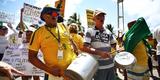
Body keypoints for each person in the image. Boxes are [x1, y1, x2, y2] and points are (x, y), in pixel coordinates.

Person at [28, 5, 77, 80]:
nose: (54, 16)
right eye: (51, 13)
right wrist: (49, 70)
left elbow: (71, 41)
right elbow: (32, 57)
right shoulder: (38, 33)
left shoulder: (64, 26)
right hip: (55, 75)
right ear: (44, 16)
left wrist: (76, 51)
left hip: (72, 71)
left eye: (56, 13)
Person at [82, 9, 117, 80]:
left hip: (111, 66)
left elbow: (114, 44)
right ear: (94, 19)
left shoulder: (108, 31)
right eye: (98, 16)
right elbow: (85, 47)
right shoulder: (90, 31)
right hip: (98, 67)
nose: (101, 17)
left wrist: (116, 50)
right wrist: (100, 53)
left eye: (103, 16)